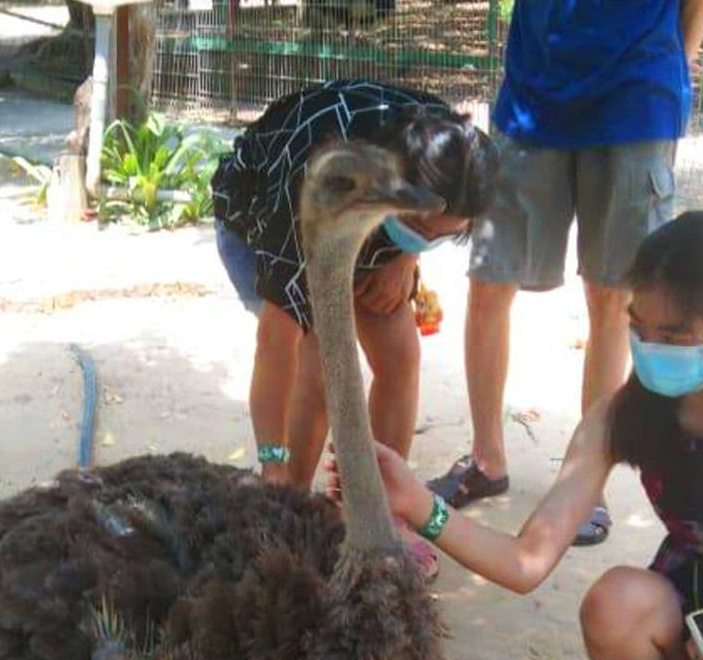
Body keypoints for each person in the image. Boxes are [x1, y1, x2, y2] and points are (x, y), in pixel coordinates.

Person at [340, 211, 703, 660]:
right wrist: (417, 504)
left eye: (675, 332)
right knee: (613, 604)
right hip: (697, 595)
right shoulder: (623, 415)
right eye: (640, 328)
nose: (651, 348)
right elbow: (527, 562)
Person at [430, 0, 703, 547]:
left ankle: (582, 483)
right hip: (532, 100)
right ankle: (486, 460)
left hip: (634, 99)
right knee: (488, 280)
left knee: (615, 297)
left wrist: (675, 64)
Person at [212, 79, 499, 577]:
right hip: (264, 227)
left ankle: (381, 513)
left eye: (443, 236)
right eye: (422, 228)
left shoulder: (447, 147)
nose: (433, 239)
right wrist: (272, 461)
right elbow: (275, 347)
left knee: (400, 355)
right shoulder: (309, 182)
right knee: (320, 371)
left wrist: (407, 254)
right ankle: (293, 512)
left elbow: (433, 220)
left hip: (375, 231)